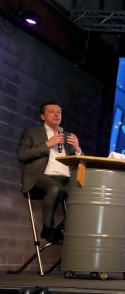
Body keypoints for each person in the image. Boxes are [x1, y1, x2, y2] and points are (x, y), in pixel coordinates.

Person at [17, 101, 83, 244]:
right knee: (54, 188)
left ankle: (61, 230)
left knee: (85, 195)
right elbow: (22, 155)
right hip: (41, 177)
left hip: (66, 178)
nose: (56, 114)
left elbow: (82, 163)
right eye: (51, 112)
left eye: (59, 112)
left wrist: (78, 149)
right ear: (42, 116)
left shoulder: (67, 136)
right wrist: (48, 144)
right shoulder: (32, 132)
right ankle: (48, 229)